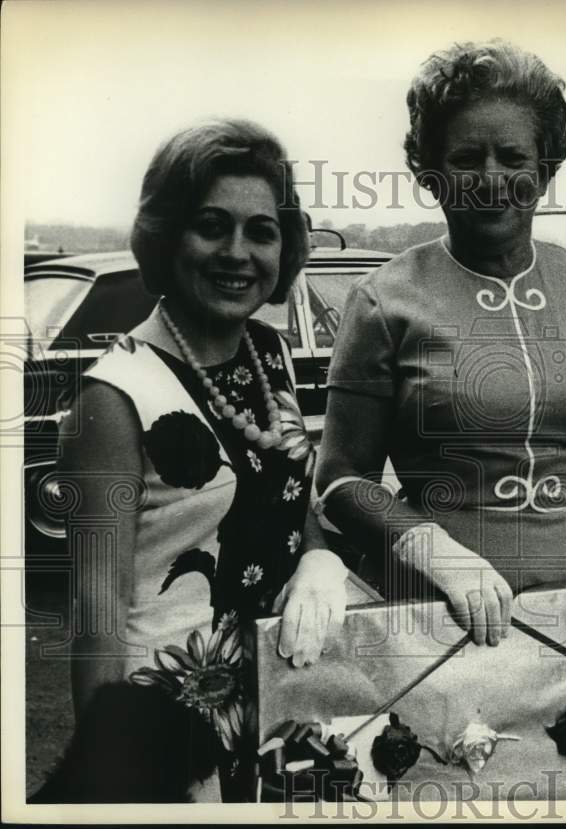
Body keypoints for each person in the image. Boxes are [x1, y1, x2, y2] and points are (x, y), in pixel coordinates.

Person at [314, 39, 566, 648]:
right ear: (429, 172)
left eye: (513, 156)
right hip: (443, 614)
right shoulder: (382, 298)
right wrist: (430, 550)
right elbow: (344, 479)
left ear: (545, 167)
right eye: (467, 158)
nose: (491, 179)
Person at [57, 119, 349, 801]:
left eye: (261, 232)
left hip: (277, 707)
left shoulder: (268, 354)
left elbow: (287, 503)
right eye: (211, 226)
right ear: (164, 238)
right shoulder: (114, 396)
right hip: (164, 733)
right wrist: (114, 777)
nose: (237, 253)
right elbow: (96, 614)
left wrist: (317, 556)